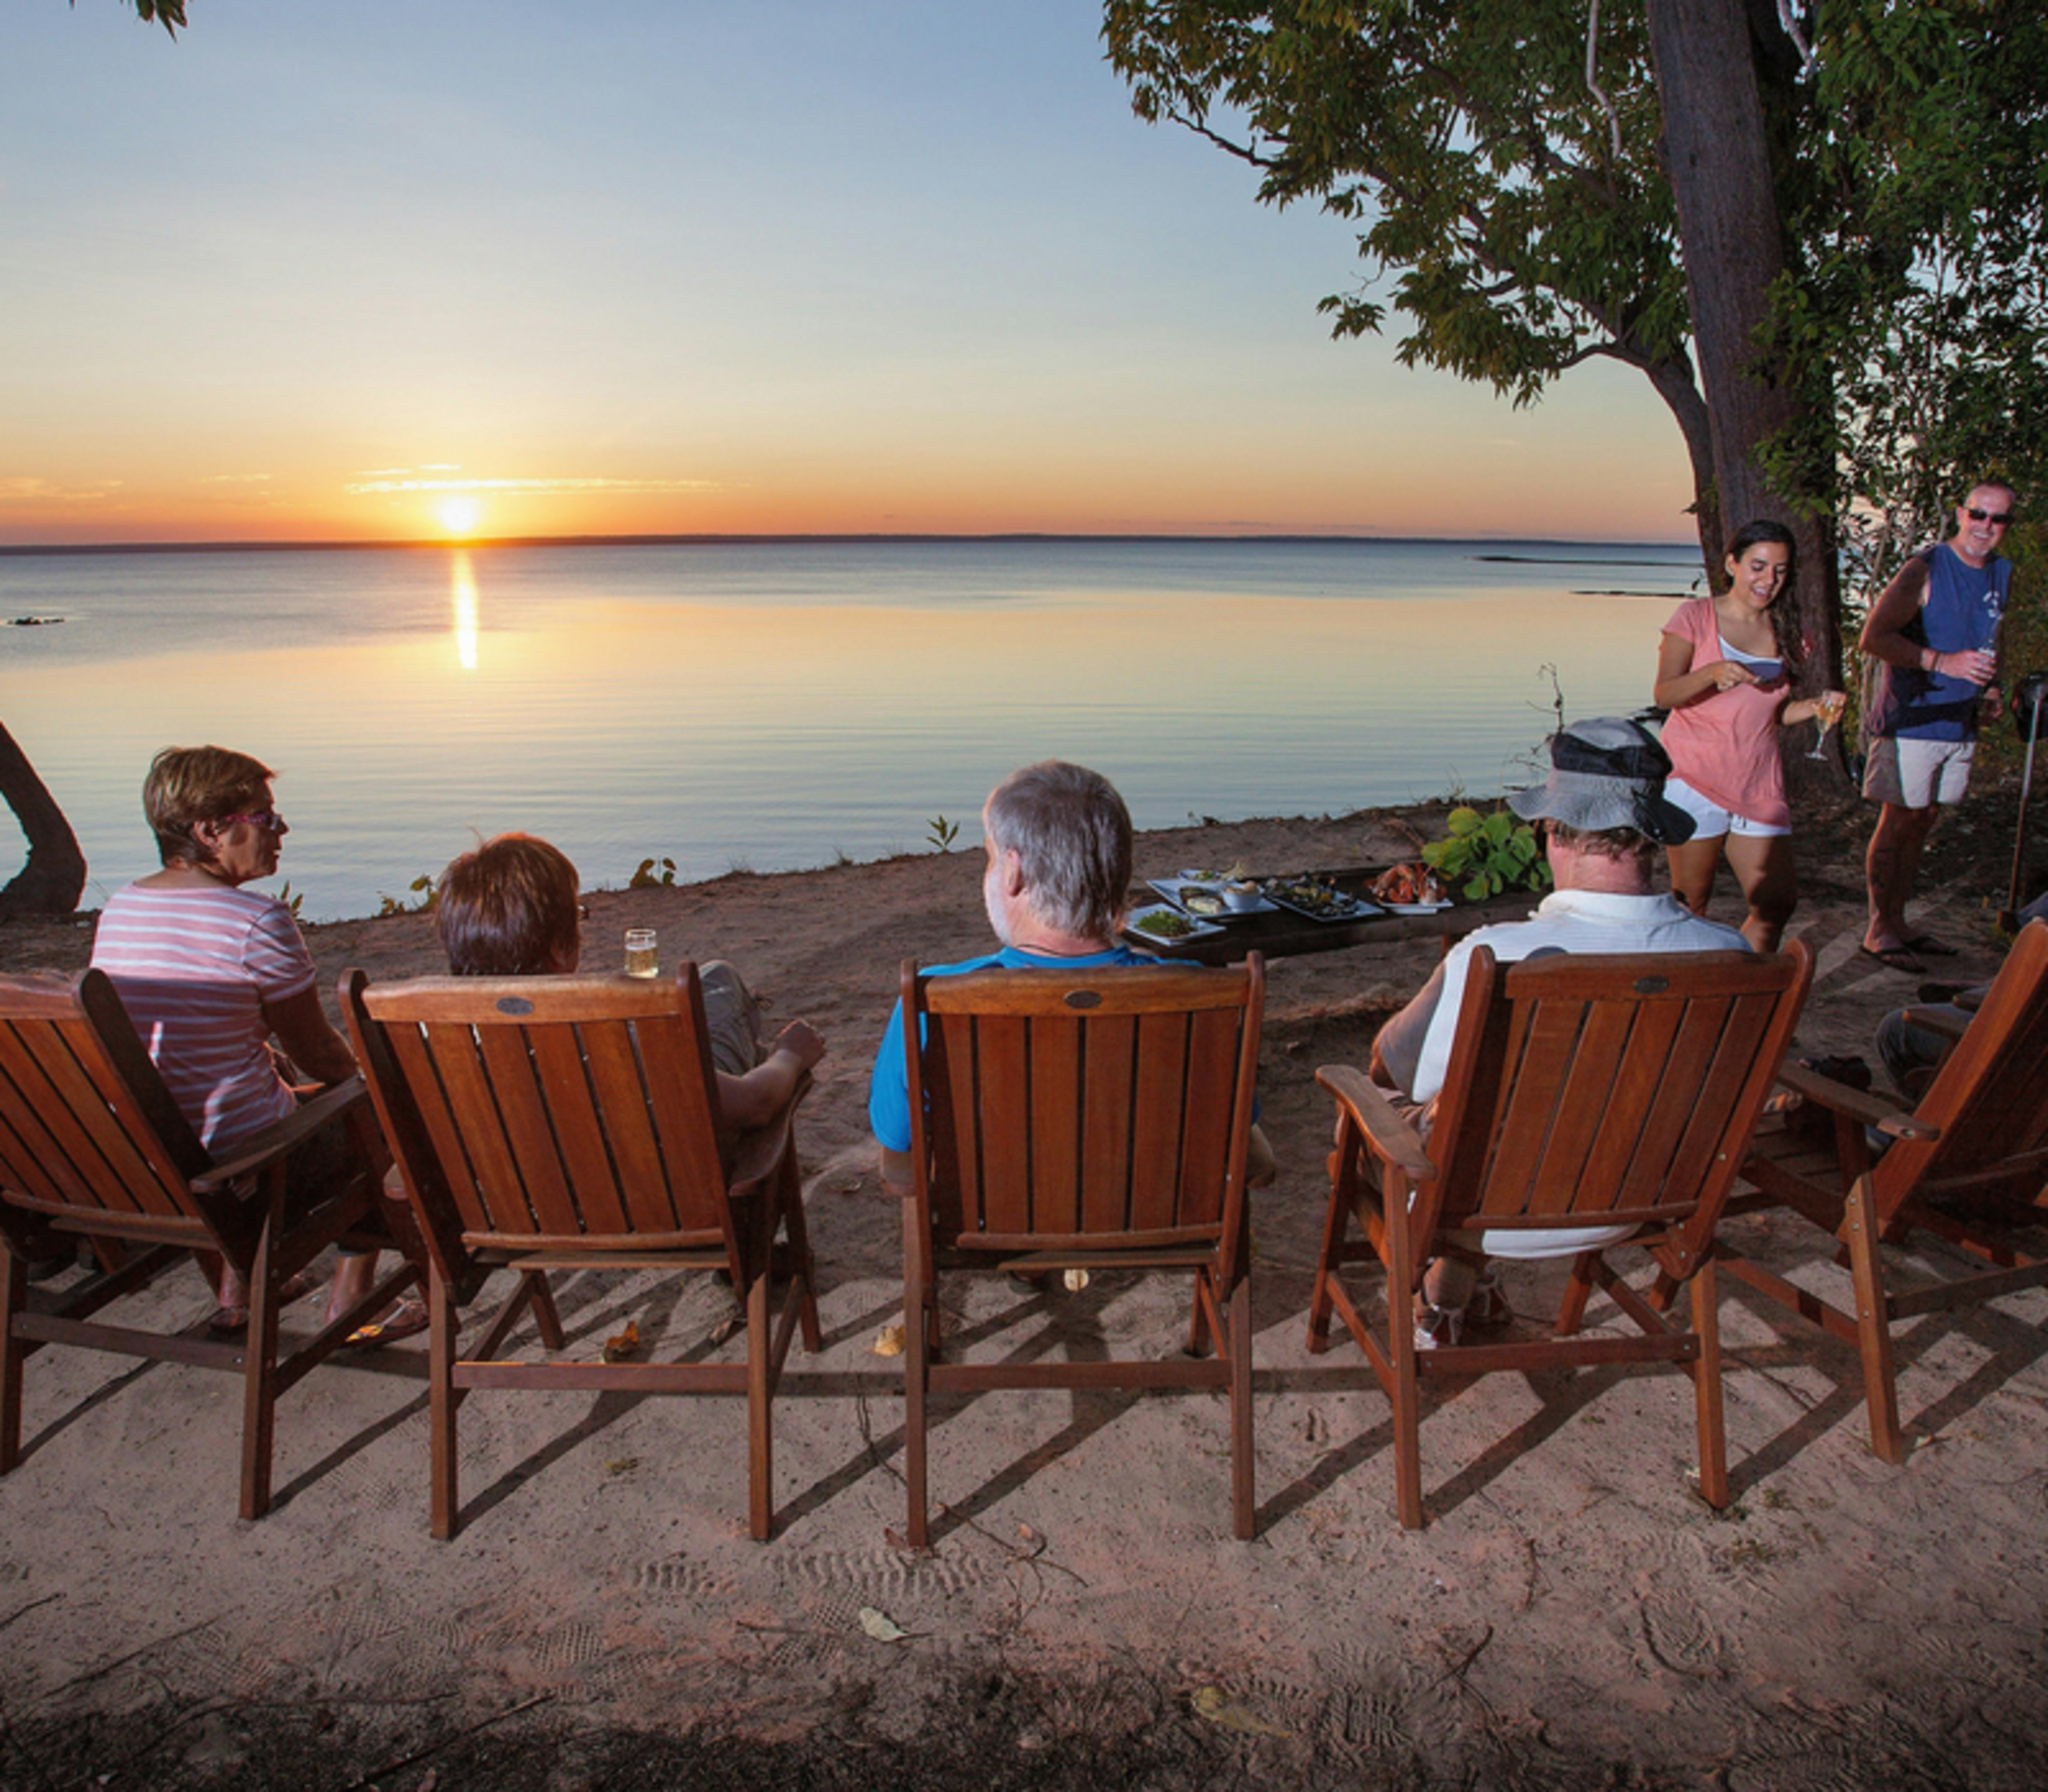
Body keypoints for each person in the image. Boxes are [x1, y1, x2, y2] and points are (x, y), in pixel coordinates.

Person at [1366, 717, 1751, 1347]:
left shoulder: (1495, 956)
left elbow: (1417, 1082)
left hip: (1488, 1213)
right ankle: (1456, 1288)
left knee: (1380, 1101)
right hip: (1647, 1203)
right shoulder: (1731, 957)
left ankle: (1447, 1281)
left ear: (1553, 831)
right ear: (1651, 838)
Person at [89, 746, 397, 1336]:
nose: (282, 830)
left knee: (261, 1061)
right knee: (381, 1112)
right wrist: (372, 1077)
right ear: (210, 831)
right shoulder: (255, 922)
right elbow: (323, 1056)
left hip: (151, 1162)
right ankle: (354, 1300)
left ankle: (244, 1288)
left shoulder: (121, 909)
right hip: (247, 1174)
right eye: (265, 818)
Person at [868, 759, 1274, 1193]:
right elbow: (1239, 1129)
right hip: (1152, 1217)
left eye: (989, 859)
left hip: (998, 1220)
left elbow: (898, 1149)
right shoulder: (1204, 994)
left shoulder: (933, 999)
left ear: (1013, 871)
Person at [434, 833, 826, 1156]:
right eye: (578, 914)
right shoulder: (611, 1040)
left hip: (506, 1225)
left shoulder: (431, 1046)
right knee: (721, 983)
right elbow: (755, 1105)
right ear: (558, 946)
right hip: (649, 1212)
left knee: (710, 983)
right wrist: (789, 1056)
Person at [1653, 519, 1844, 951]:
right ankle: (1678, 994)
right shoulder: (1694, 618)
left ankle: (1741, 986)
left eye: (1779, 570)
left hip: (1758, 782)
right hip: (1694, 777)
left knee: (1776, 903)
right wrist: (1711, 673)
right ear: (1732, 564)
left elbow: (1773, 713)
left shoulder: (1790, 631)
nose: (1768, 580)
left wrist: (1815, 708)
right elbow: (1665, 694)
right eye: (1758, 566)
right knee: (1691, 902)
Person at [1858, 481, 2018, 971]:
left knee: (1924, 819)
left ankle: (1899, 920)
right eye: (1978, 515)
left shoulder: (2001, 571)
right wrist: (1939, 661)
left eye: (1998, 520)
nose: (1986, 527)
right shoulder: (1924, 568)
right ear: (1960, 513)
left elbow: (1993, 633)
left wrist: (1991, 689)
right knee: (1899, 818)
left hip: (1959, 721)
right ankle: (1878, 928)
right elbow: (1874, 638)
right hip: (1912, 720)